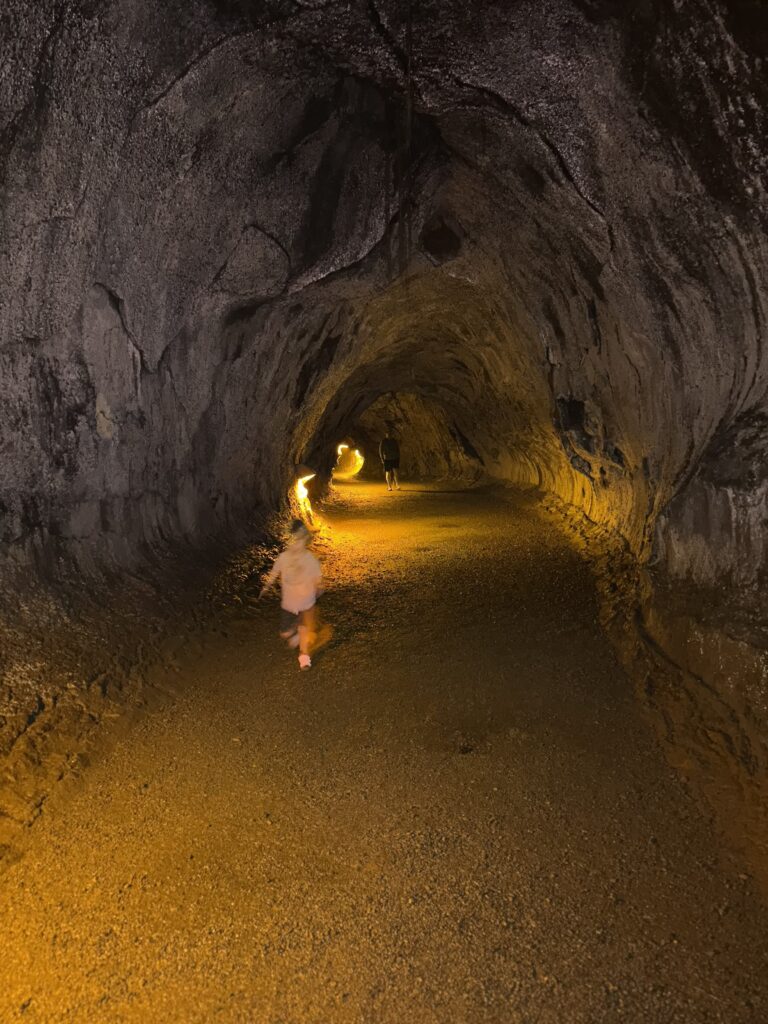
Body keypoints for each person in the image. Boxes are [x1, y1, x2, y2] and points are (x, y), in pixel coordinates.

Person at [260, 520, 322, 670]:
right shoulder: (284, 558)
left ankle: (304, 659)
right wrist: (267, 586)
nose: (296, 545)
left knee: (304, 629)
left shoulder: (309, 559)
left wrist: (319, 586)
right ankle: (294, 633)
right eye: (293, 542)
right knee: (285, 633)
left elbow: (317, 576)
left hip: (306, 601)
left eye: (299, 541)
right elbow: (274, 572)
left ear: (305, 541)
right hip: (289, 603)